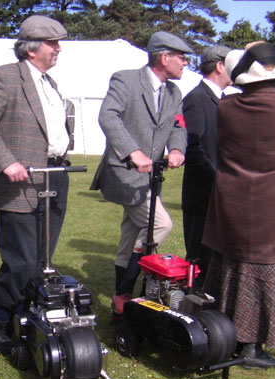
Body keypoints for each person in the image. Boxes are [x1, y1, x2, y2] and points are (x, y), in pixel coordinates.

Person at [202, 42, 275, 368]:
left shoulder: (226, 108)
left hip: (235, 203)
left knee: (233, 270)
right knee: (271, 273)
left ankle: (229, 335)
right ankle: (255, 346)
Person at [0, 15, 73, 354]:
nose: (58, 49)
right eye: (52, 43)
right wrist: (6, 161)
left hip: (55, 178)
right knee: (22, 262)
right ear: (31, 49)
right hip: (19, 183)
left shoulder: (50, 83)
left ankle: (24, 319)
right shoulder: (6, 77)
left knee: (42, 259)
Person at [90, 31, 192, 319]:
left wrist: (177, 149)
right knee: (160, 225)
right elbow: (108, 116)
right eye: (182, 58)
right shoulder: (126, 79)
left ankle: (120, 301)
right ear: (164, 57)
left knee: (131, 234)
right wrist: (132, 151)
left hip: (151, 178)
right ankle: (124, 290)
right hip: (124, 173)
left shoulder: (174, 93)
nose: (185, 64)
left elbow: (178, 126)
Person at [181, 45, 232, 290]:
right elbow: (193, 147)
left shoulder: (223, 100)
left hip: (219, 195)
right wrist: (219, 180)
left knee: (215, 261)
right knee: (199, 259)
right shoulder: (196, 98)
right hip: (202, 196)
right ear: (220, 66)